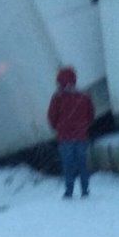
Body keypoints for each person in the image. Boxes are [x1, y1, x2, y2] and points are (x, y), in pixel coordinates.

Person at [47, 66, 94, 198]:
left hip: (65, 137)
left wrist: (58, 127)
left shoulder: (58, 98)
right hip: (81, 135)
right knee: (82, 164)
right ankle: (85, 190)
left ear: (60, 81)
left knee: (68, 165)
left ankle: (69, 191)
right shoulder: (84, 96)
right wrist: (83, 127)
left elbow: (51, 116)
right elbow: (90, 115)